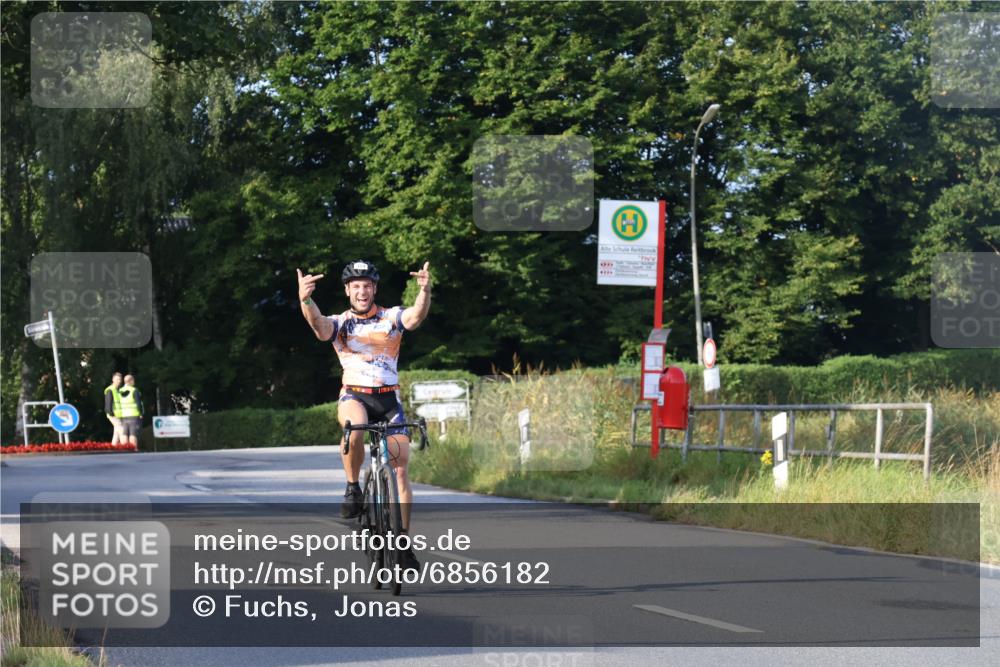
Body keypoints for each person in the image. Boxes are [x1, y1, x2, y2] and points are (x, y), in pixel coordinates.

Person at [297, 259, 432, 570]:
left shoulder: (391, 317)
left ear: (375, 289)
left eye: (367, 285)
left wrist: (424, 291)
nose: (362, 291)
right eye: (356, 286)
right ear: (347, 291)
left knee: (400, 470)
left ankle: (401, 542)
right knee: (354, 428)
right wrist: (305, 299)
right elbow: (318, 325)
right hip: (355, 395)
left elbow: (414, 318)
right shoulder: (340, 322)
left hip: (388, 400)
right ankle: (353, 487)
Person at [119, 374, 144, 448]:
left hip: (123, 415)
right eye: (133, 380)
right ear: (131, 381)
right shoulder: (134, 390)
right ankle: (133, 449)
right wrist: (140, 413)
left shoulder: (119, 391)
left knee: (124, 433)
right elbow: (138, 403)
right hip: (133, 415)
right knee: (133, 433)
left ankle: (124, 449)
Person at [103, 372, 124, 445]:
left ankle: (113, 446)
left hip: (117, 414)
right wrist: (111, 413)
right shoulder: (110, 389)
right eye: (117, 379)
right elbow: (108, 403)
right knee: (122, 429)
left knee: (116, 432)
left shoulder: (118, 390)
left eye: (120, 379)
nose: (119, 381)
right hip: (113, 414)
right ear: (113, 380)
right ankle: (125, 446)